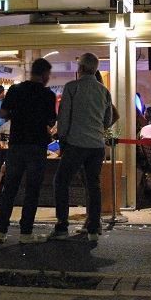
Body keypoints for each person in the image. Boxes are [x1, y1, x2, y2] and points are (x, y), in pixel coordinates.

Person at [0, 58, 57, 244]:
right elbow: (51, 121)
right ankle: (25, 233)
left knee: (9, 189)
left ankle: (1, 232)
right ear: (44, 75)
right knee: (32, 190)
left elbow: (2, 114)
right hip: (37, 146)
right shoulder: (48, 94)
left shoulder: (15, 90)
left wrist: (18, 115)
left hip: (16, 144)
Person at [51, 52, 112, 242]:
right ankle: (93, 228)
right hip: (97, 145)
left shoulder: (72, 87)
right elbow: (108, 120)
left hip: (76, 144)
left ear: (82, 68)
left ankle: (62, 226)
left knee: (61, 182)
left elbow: (64, 117)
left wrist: (62, 139)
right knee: (94, 185)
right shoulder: (104, 91)